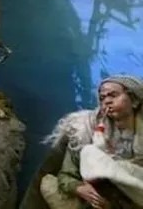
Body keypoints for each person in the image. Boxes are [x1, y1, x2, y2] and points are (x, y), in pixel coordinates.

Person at [36, 75, 143, 209]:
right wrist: (79, 188)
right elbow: (66, 175)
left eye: (113, 95)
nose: (107, 101)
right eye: (102, 98)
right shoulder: (85, 132)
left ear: (134, 101)